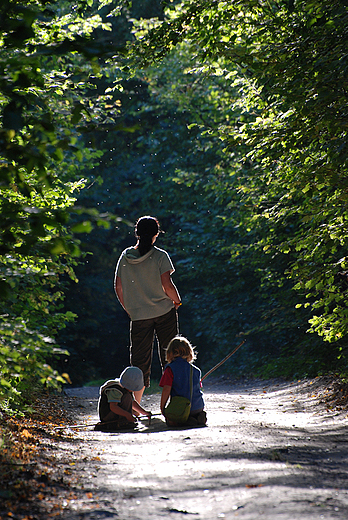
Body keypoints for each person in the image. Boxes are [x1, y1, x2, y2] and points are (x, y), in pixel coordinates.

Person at [115, 215, 181, 404]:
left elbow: (118, 287)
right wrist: (177, 301)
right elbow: (167, 285)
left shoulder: (125, 257)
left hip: (139, 316)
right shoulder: (160, 256)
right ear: (156, 235)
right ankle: (174, 400)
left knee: (139, 361)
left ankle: (135, 405)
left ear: (136, 233)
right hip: (164, 312)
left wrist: (129, 309)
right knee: (170, 355)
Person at [159, 335, 207, 426]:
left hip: (181, 408)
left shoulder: (170, 369)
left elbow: (166, 390)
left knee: (170, 421)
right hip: (198, 407)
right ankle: (197, 417)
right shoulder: (196, 370)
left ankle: (183, 420)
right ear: (189, 352)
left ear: (169, 352)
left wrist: (163, 409)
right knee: (193, 410)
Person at [94, 366, 151, 431]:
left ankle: (123, 421)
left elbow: (132, 402)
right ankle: (121, 422)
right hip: (108, 416)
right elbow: (113, 407)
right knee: (126, 397)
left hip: (119, 415)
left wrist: (144, 412)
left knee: (128, 397)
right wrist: (127, 415)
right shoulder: (115, 390)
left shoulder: (126, 389)